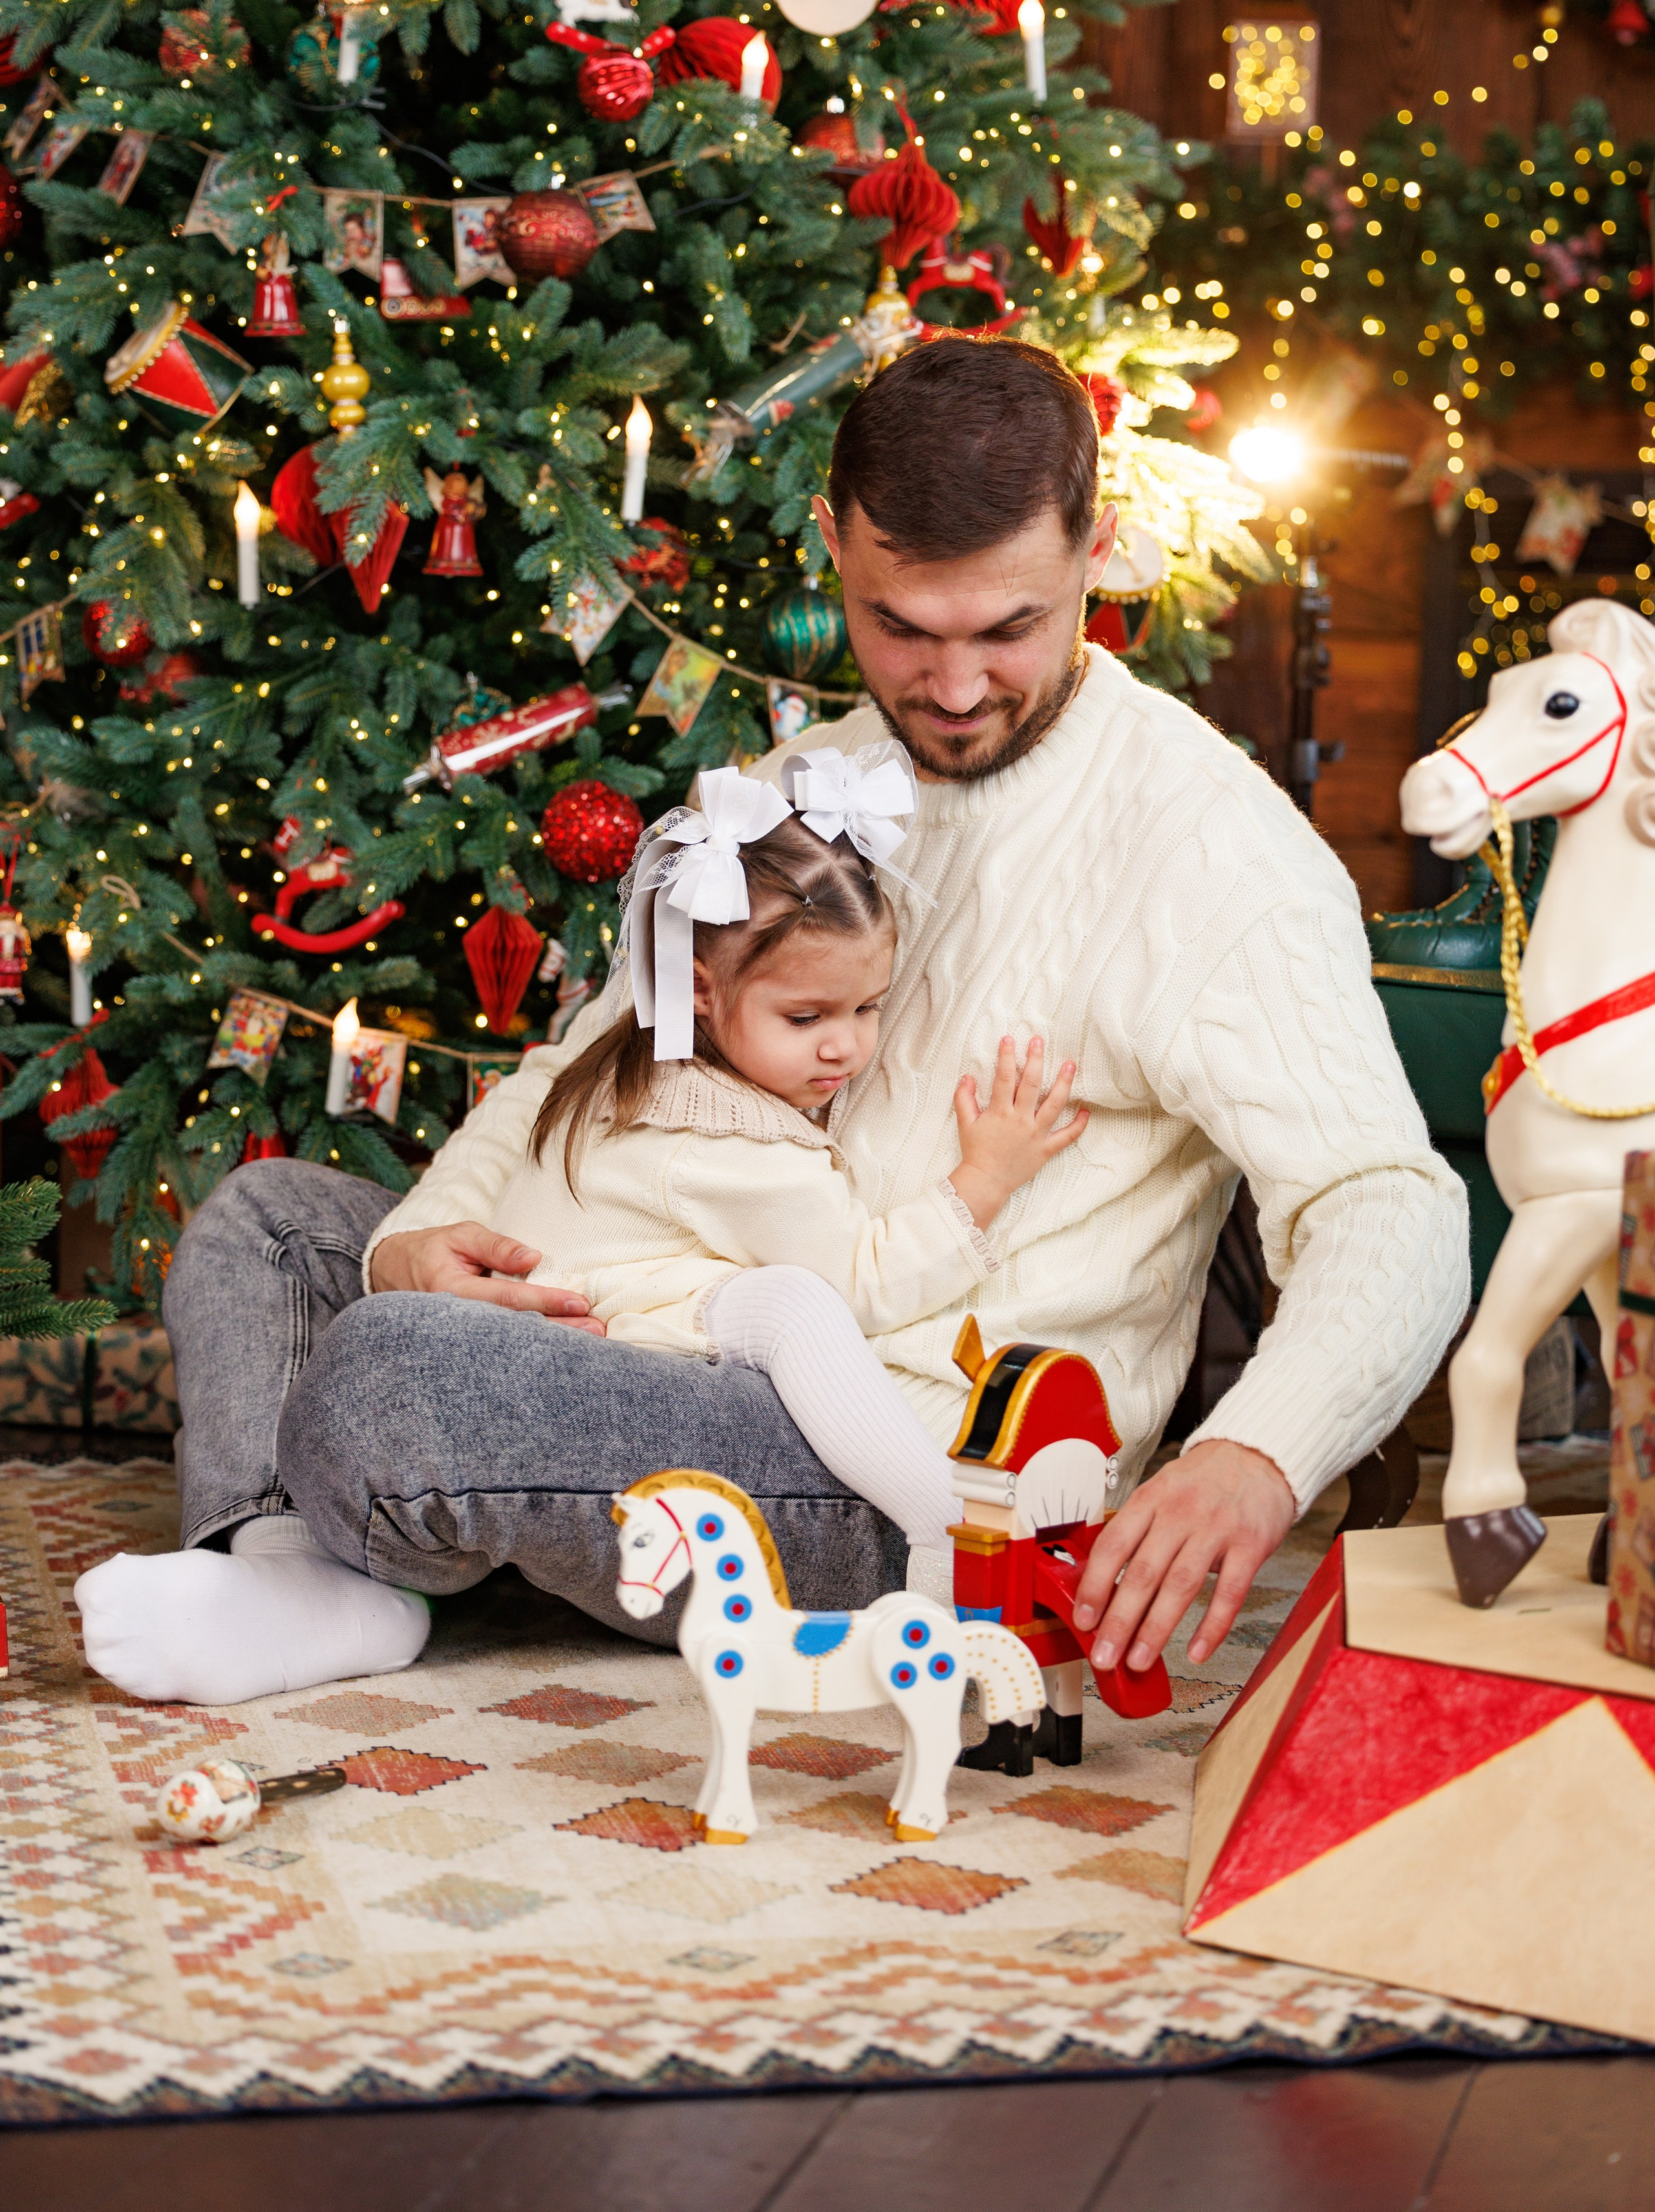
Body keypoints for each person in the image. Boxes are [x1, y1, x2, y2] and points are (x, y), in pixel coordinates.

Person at [76, 334, 1468, 1711]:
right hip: (654, 1310)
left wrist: (1253, 1455)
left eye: (1009, 628)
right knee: (276, 1225)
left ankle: (381, 1526)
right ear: (830, 545)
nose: (958, 685)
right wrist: (422, 1237)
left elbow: (1387, 1203)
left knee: (394, 1376)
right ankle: (289, 1572)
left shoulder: (1216, 848)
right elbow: (589, 1054)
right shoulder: (806, 781)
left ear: (1095, 549)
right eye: (901, 629)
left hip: (897, 1465)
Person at [476, 757, 1085, 1556]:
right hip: (602, 1367)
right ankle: (947, 1525)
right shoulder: (730, 1144)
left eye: (868, 1006)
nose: (848, 1045)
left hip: (566, 1339)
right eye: (805, 1017)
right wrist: (985, 1177)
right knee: (793, 1304)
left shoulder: (634, 1074)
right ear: (700, 989)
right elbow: (859, 1283)